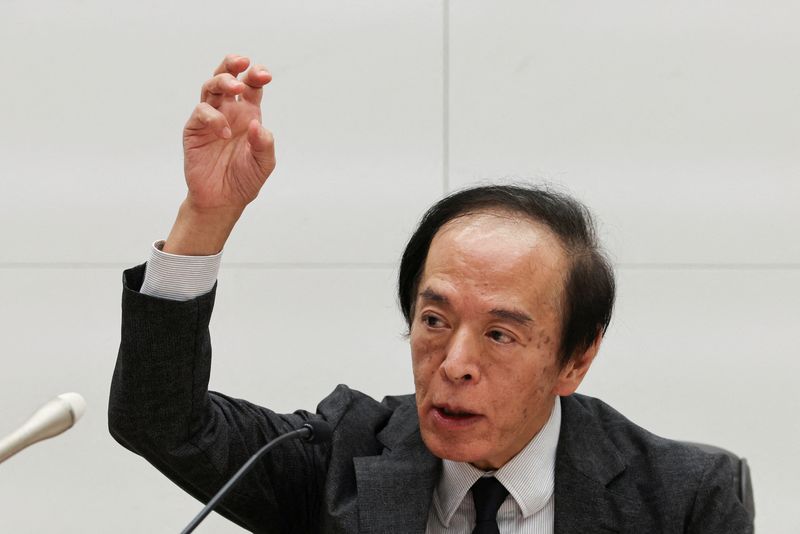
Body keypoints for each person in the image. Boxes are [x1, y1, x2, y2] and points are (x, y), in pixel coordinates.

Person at [108, 55, 754, 534]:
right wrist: (207, 216)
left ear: (575, 359)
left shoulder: (685, 498)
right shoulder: (344, 455)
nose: (454, 364)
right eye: (435, 319)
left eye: (500, 334)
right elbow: (160, 421)